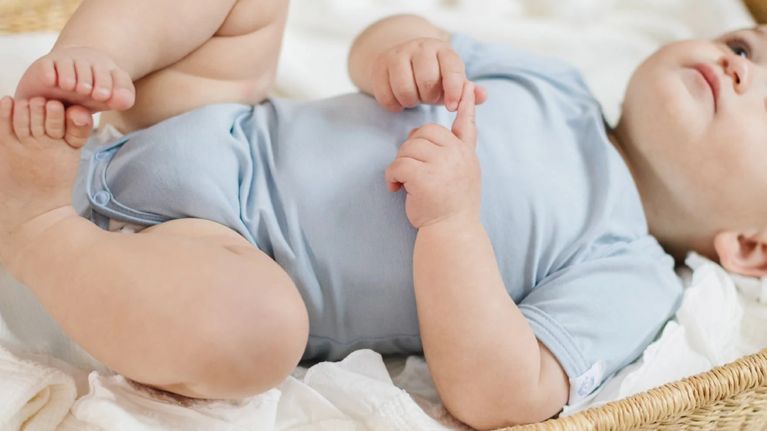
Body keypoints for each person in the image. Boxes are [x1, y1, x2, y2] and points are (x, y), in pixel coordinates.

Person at [1, 12, 761, 429]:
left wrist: (453, 225)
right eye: (742, 44)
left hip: (219, 256)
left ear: (750, 245)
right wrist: (402, 53)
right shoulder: (554, 83)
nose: (739, 66)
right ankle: (84, 68)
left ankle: (33, 223)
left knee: (257, 334)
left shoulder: (629, 272)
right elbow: (380, 39)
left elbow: (503, 393)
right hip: (217, 119)